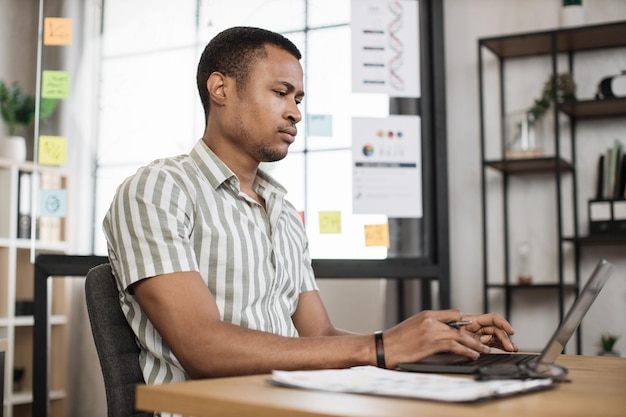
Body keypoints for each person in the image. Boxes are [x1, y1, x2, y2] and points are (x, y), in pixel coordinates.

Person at [103, 26, 518, 386]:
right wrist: (382, 346)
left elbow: (318, 333)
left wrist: (423, 346)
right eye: (281, 93)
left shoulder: (282, 212)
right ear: (221, 89)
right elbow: (202, 347)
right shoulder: (157, 190)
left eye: (298, 99)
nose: (295, 113)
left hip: (289, 403)